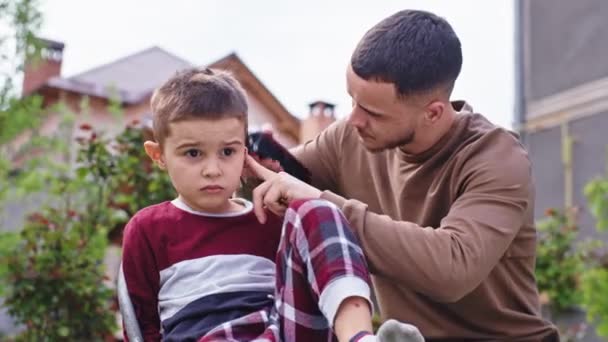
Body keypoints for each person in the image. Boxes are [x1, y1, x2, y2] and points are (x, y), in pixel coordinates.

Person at [245, 9, 559, 341]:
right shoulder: (351, 137)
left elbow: (452, 269)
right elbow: (282, 182)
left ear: (433, 113)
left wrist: (327, 204)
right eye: (353, 100)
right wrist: (252, 162)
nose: (354, 119)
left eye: (372, 112)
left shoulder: (495, 158)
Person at [120, 67, 424, 341]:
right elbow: (141, 325)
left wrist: (282, 172)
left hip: (278, 330)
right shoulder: (148, 228)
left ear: (246, 153)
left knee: (316, 208)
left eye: (227, 152)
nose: (213, 169)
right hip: (206, 336)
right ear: (158, 155)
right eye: (193, 154)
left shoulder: (270, 218)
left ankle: (359, 337)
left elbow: (312, 277)